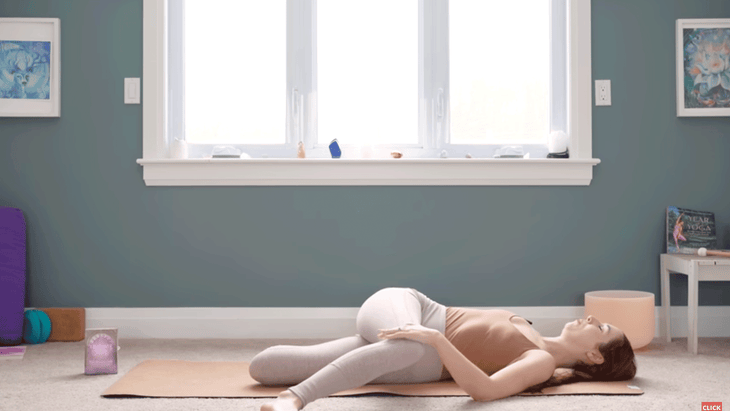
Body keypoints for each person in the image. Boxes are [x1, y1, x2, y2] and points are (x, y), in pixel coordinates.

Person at [250, 287, 636, 411]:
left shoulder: (540, 362)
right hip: (410, 308)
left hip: (417, 355)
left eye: (599, 328)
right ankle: (295, 398)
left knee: (264, 367)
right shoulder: (532, 330)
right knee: (406, 346)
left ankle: (291, 393)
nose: (589, 319)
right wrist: (426, 332)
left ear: (595, 356)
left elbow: (485, 391)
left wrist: (434, 341)